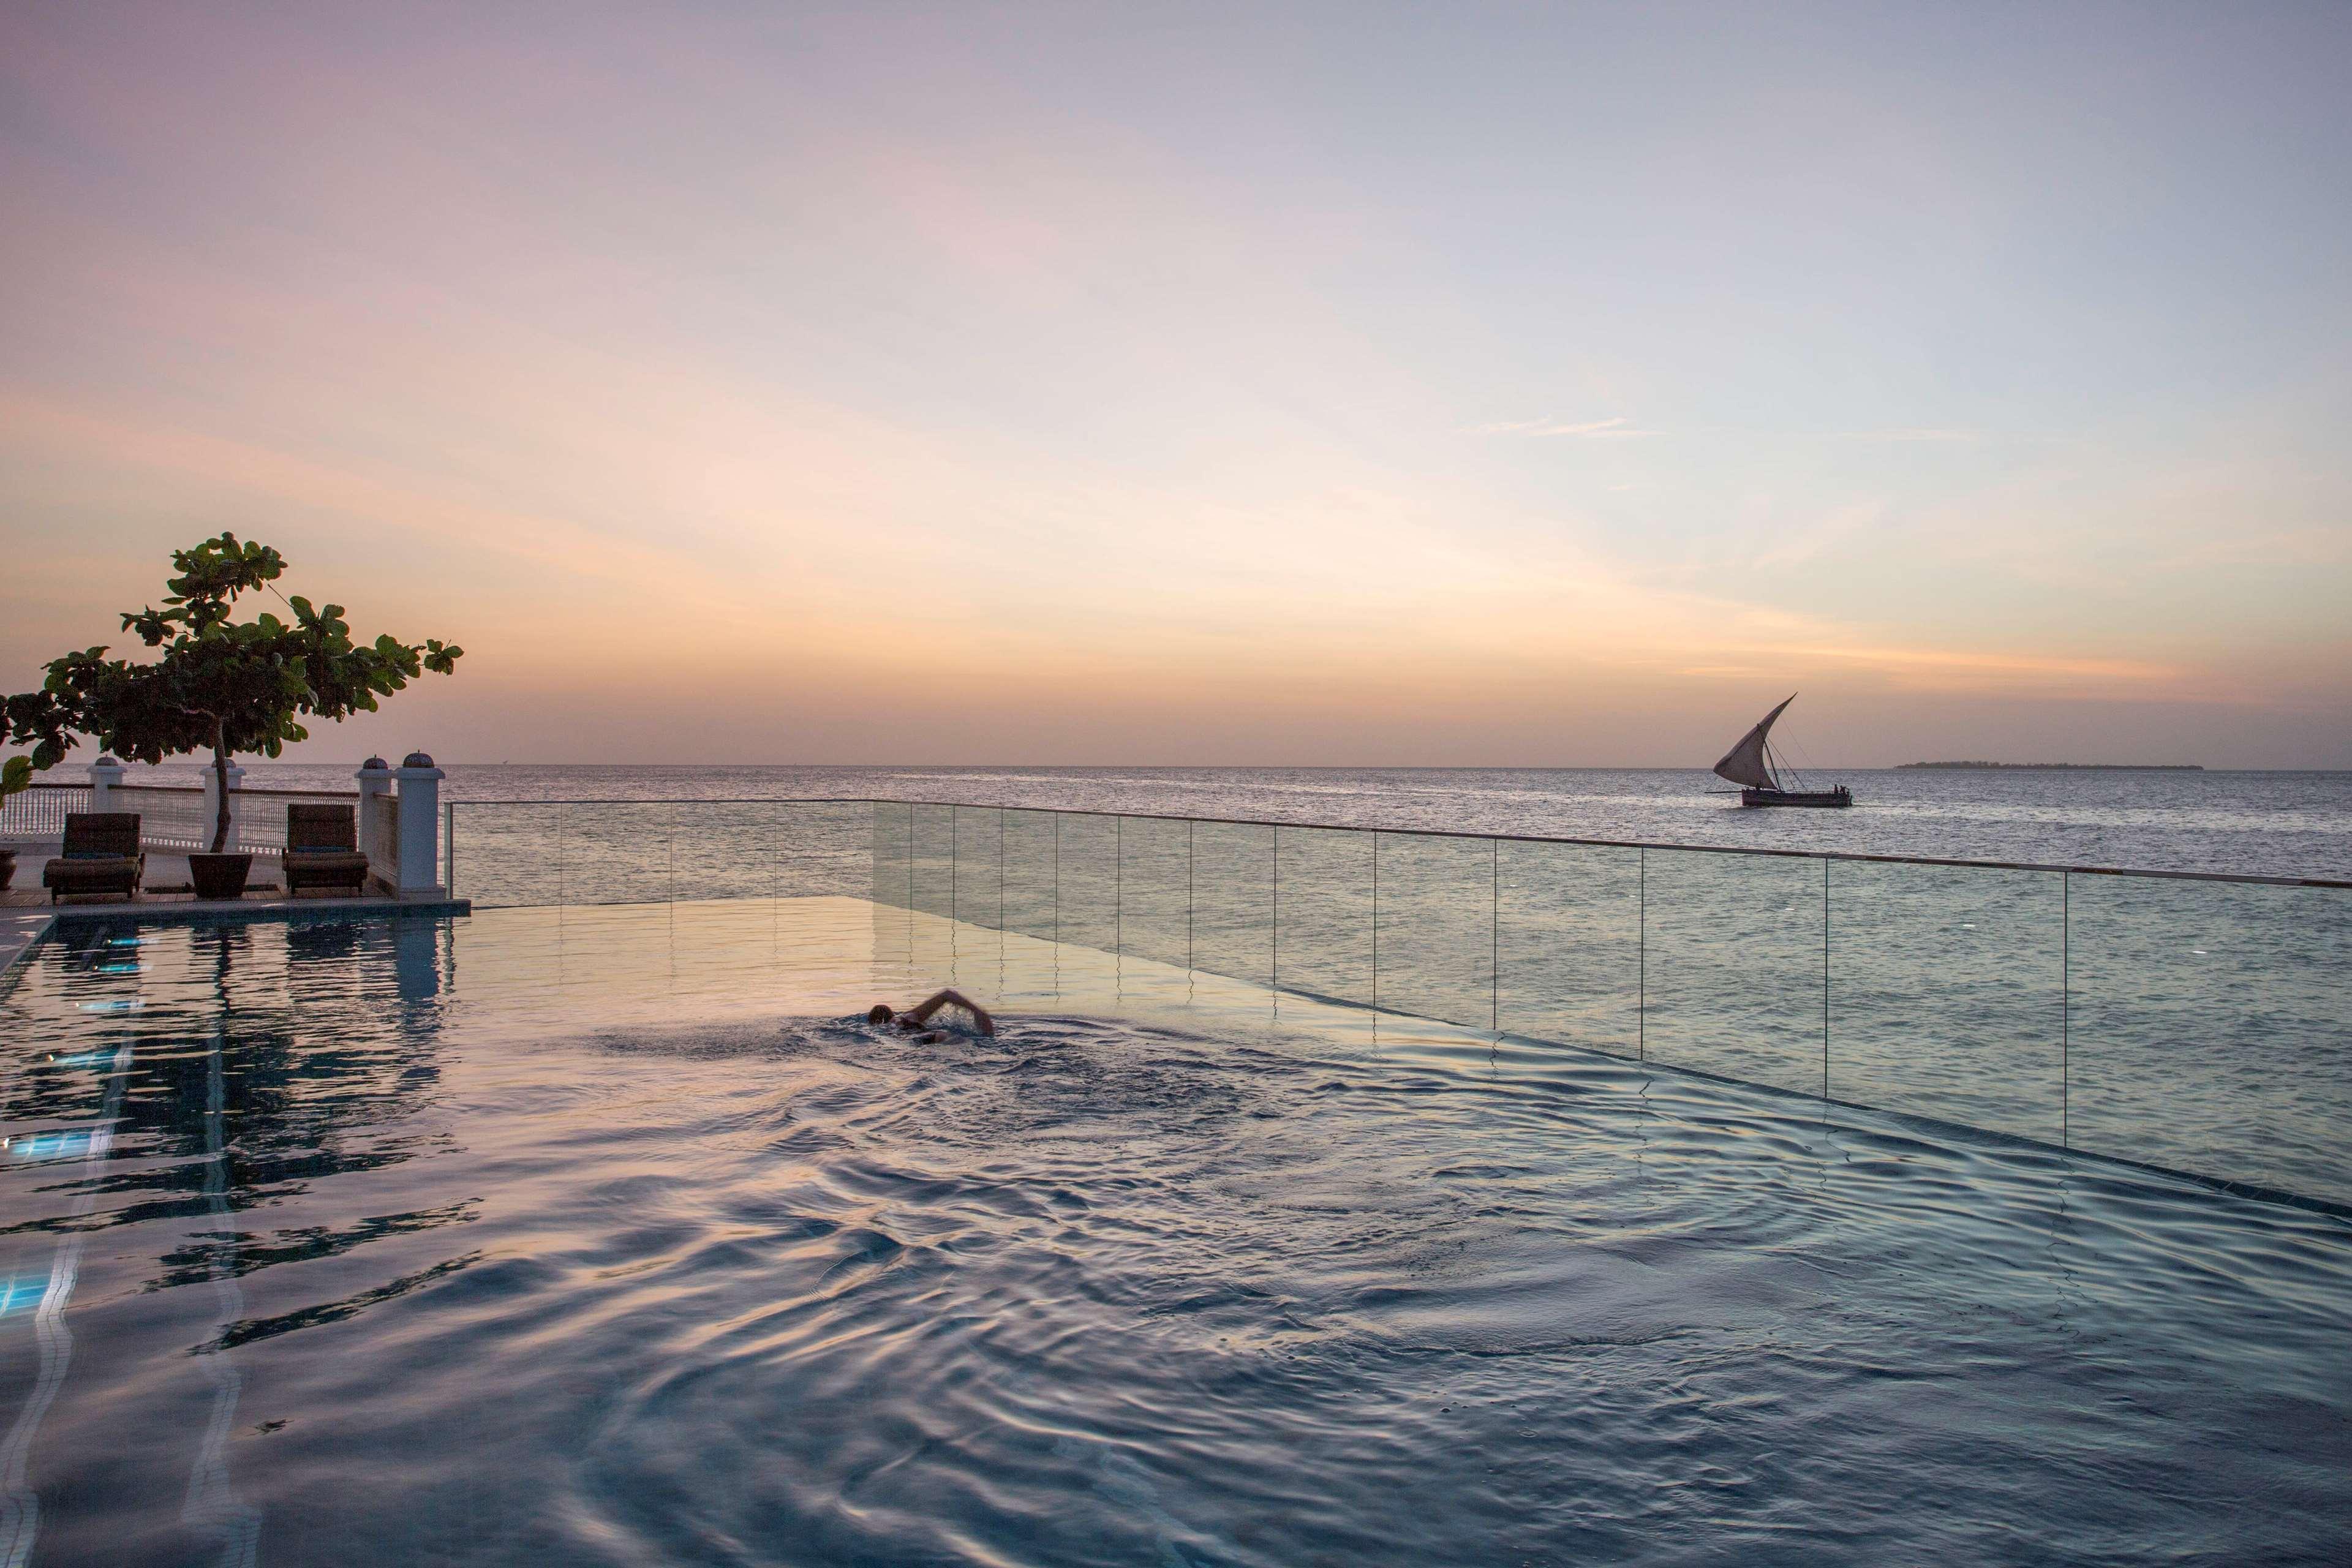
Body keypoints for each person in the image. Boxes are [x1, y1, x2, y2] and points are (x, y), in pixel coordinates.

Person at [867, 988, 995, 1039]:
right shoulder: (911, 1015)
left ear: (874, 1022)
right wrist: (977, 1011)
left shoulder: (883, 1029)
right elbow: (947, 994)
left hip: (920, 1039)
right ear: (892, 1013)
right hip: (927, 1035)